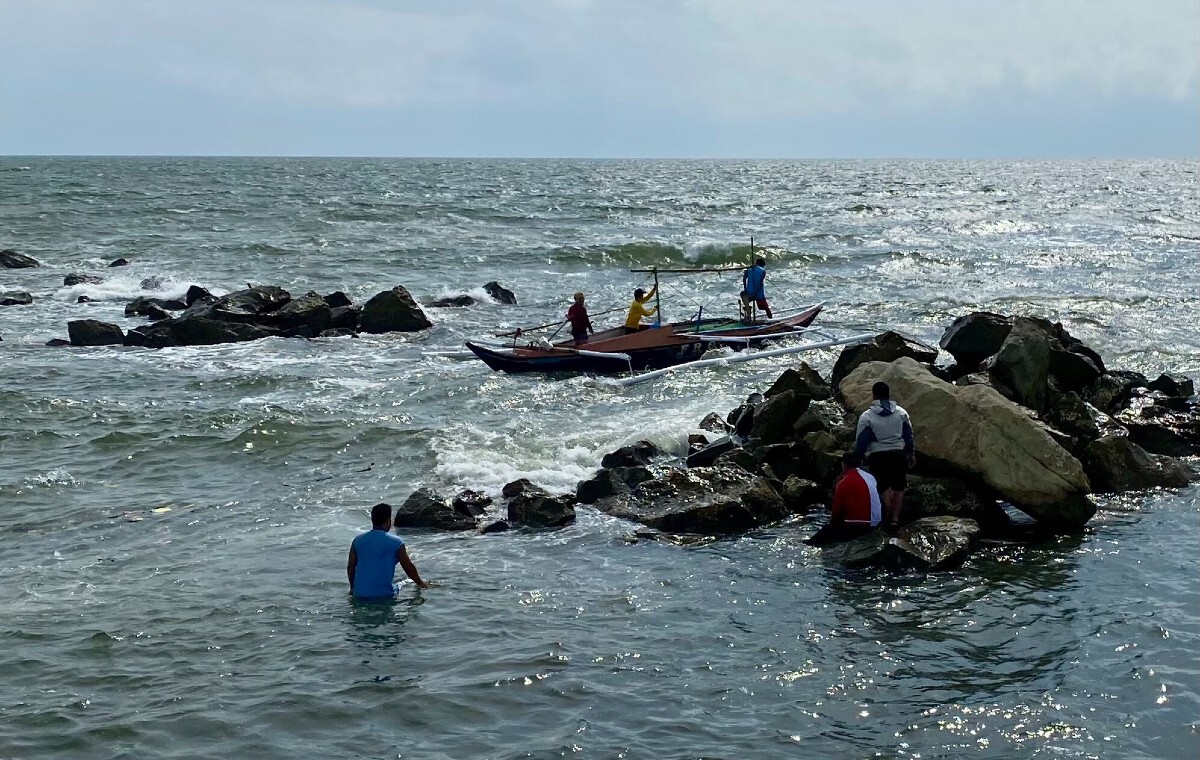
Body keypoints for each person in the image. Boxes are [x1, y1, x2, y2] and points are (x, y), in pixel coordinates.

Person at [854, 381, 916, 531]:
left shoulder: (867, 416)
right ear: (889, 394)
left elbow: (862, 440)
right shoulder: (901, 413)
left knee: (883, 486)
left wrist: (858, 457)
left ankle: (885, 515)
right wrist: (911, 453)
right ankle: (895, 520)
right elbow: (908, 435)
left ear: (874, 395)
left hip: (878, 455)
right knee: (899, 486)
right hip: (898, 453)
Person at [347, 503, 428, 598]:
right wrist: (422, 584)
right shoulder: (396, 542)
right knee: (406, 582)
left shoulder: (357, 540)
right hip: (384, 595)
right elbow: (409, 568)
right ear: (388, 521)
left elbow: (351, 567)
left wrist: (353, 588)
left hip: (360, 594)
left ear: (372, 520)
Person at [805, 452, 883, 545]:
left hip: (858, 526)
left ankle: (807, 544)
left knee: (825, 532)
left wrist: (833, 525)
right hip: (876, 522)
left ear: (844, 464)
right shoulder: (870, 477)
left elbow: (836, 511)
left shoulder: (844, 482)